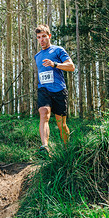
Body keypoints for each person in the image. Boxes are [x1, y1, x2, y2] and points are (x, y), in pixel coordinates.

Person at [34, 24, 75, 154]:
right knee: (44, 114)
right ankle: (45, 147)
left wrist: (55, 64)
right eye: (39, 37)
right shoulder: (37, 56)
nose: (41, 40)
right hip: (44, 89)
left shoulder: (58, 50)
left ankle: (67, 150)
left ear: (49, 36)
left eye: (44, 36)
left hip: (59, 90)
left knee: (61, 124)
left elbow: (71, 66)